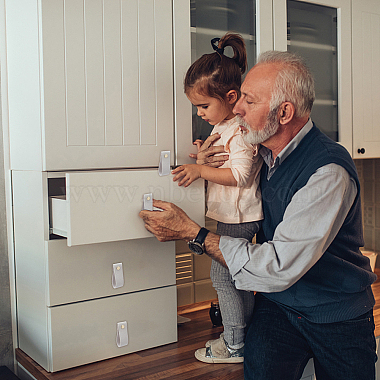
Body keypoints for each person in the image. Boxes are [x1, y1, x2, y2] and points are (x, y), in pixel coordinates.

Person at [139, 51, 377, 380]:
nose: (236, 108)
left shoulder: (328, 171)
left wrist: (194, 233)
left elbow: (277, 266)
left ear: (284, 112)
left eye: (248, 101)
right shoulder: (264, 151)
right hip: (279, 307)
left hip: (335, 314)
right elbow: (235, 183)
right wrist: (208, 159)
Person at [172, 33, 263, 364]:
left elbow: (238, 175)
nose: (199, 113)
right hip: (233, 215)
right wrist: (202, 156)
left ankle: (235, 344)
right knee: (238, 276)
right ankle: (246, 336)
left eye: (203, 106)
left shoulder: (238, 131)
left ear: (231, 96)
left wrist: (199, 171)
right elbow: (223, 163)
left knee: (223, 277)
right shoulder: (223, 127)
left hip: (239, 216)